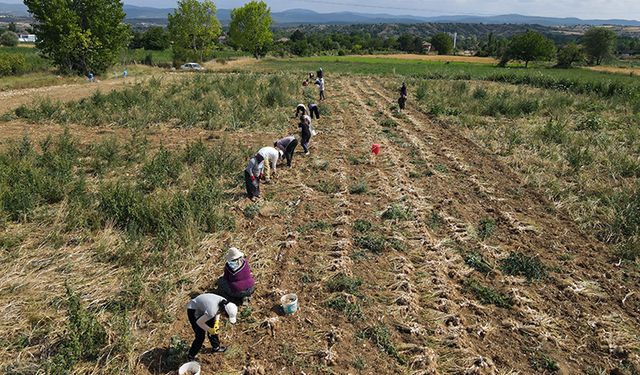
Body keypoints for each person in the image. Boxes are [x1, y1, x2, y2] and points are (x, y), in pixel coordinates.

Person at [186, 293, 238, 360]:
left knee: (213, 327)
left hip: (205, 308)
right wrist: (209, 329)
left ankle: (216, 347)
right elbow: (199, 322)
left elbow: (218, 312)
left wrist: (216, 323)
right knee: (200, 336)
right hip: (193, 309)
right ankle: (191, 356)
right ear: (224, 311)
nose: (226, 317)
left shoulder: (224, 303)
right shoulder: (212, 311)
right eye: (226, 316)